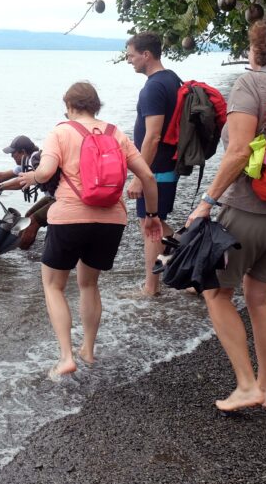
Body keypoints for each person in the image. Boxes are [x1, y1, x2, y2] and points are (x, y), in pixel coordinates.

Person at [185, 15, 266, 411]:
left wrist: (207, 201)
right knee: (258, 297)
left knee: (216, 291)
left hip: (254, 210)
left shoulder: (252, 83)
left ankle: (245, 386)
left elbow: (239, 151)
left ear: (259, 49)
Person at [18, 82, 161, 379]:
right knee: (88, 284)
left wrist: (30, 176)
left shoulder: (60, 131)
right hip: (111, 220)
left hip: (69, 216)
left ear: (69, 106)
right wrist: (151, 215)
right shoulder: (115, 133)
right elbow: (147, 175)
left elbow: (45, 173)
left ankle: (66, 357)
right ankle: (89, 350)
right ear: (97, 106)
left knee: (53, 286)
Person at [126, 32, 183, 296]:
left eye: (131, 55)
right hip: (166, 165)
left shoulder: (153, 87)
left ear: (146, 55)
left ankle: (151, 288)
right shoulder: (172, 78)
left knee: (150, 225)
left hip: (157, 169)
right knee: (154, 223)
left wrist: (140, 175)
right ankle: (192, 253)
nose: (129, 61)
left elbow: (153, 135)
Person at [0, 135, 54, 249]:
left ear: (23, 151)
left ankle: (19, 250)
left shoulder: (34, 160)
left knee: (32, 222)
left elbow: (21, 183)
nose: (11, 156)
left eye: (13, 153)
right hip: (52, 196)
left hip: (61, 198)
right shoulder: (25, 162)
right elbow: (1, 176)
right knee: (28, 216)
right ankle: (19, 248)